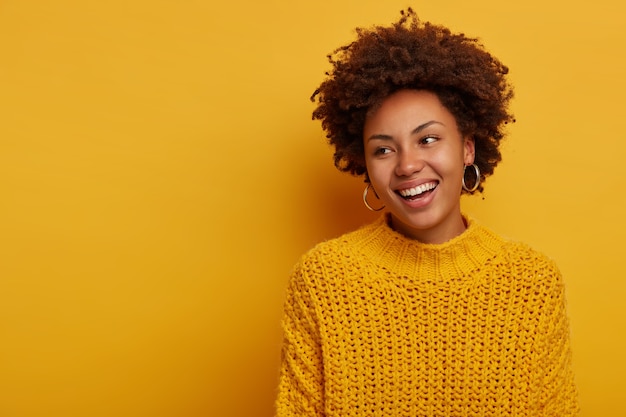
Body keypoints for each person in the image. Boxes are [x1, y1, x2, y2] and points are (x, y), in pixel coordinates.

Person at [275, 8, 578, 417]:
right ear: (363, 163)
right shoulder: (322, 280)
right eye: (383, 149)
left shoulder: (532, 282)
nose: (406, 165)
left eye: (428, 139)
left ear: (467, 147)